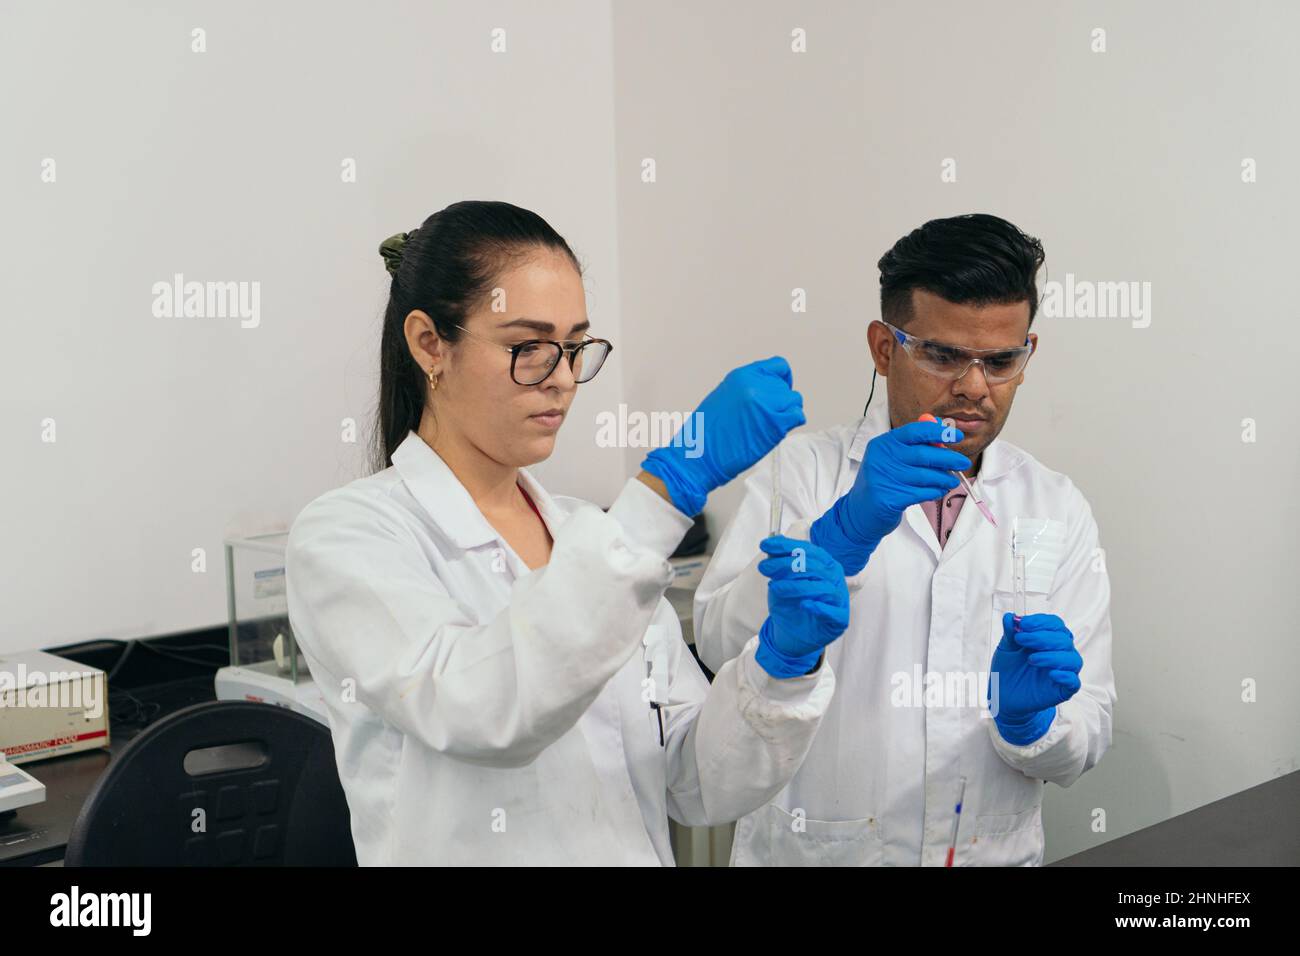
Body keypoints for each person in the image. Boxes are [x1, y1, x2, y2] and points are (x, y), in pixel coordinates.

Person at [285, 200, 848, 865]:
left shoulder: (587, 536)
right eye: (528, 347)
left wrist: (780, 667)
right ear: (430, 343)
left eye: (575, 348)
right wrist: (668, 487)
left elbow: (694, 785)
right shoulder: (350, 536)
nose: (560, 380)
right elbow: (487, 708)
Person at [694, 213, 1116, 866]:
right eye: (945, 355)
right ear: (885, 348)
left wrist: (1030, 724)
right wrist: (840, 535)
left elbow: (1087, 734)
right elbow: (721, 647)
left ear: (1027, 356)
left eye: (1001, 361)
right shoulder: (805, 473)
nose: (975, 387)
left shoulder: (1054, 506)